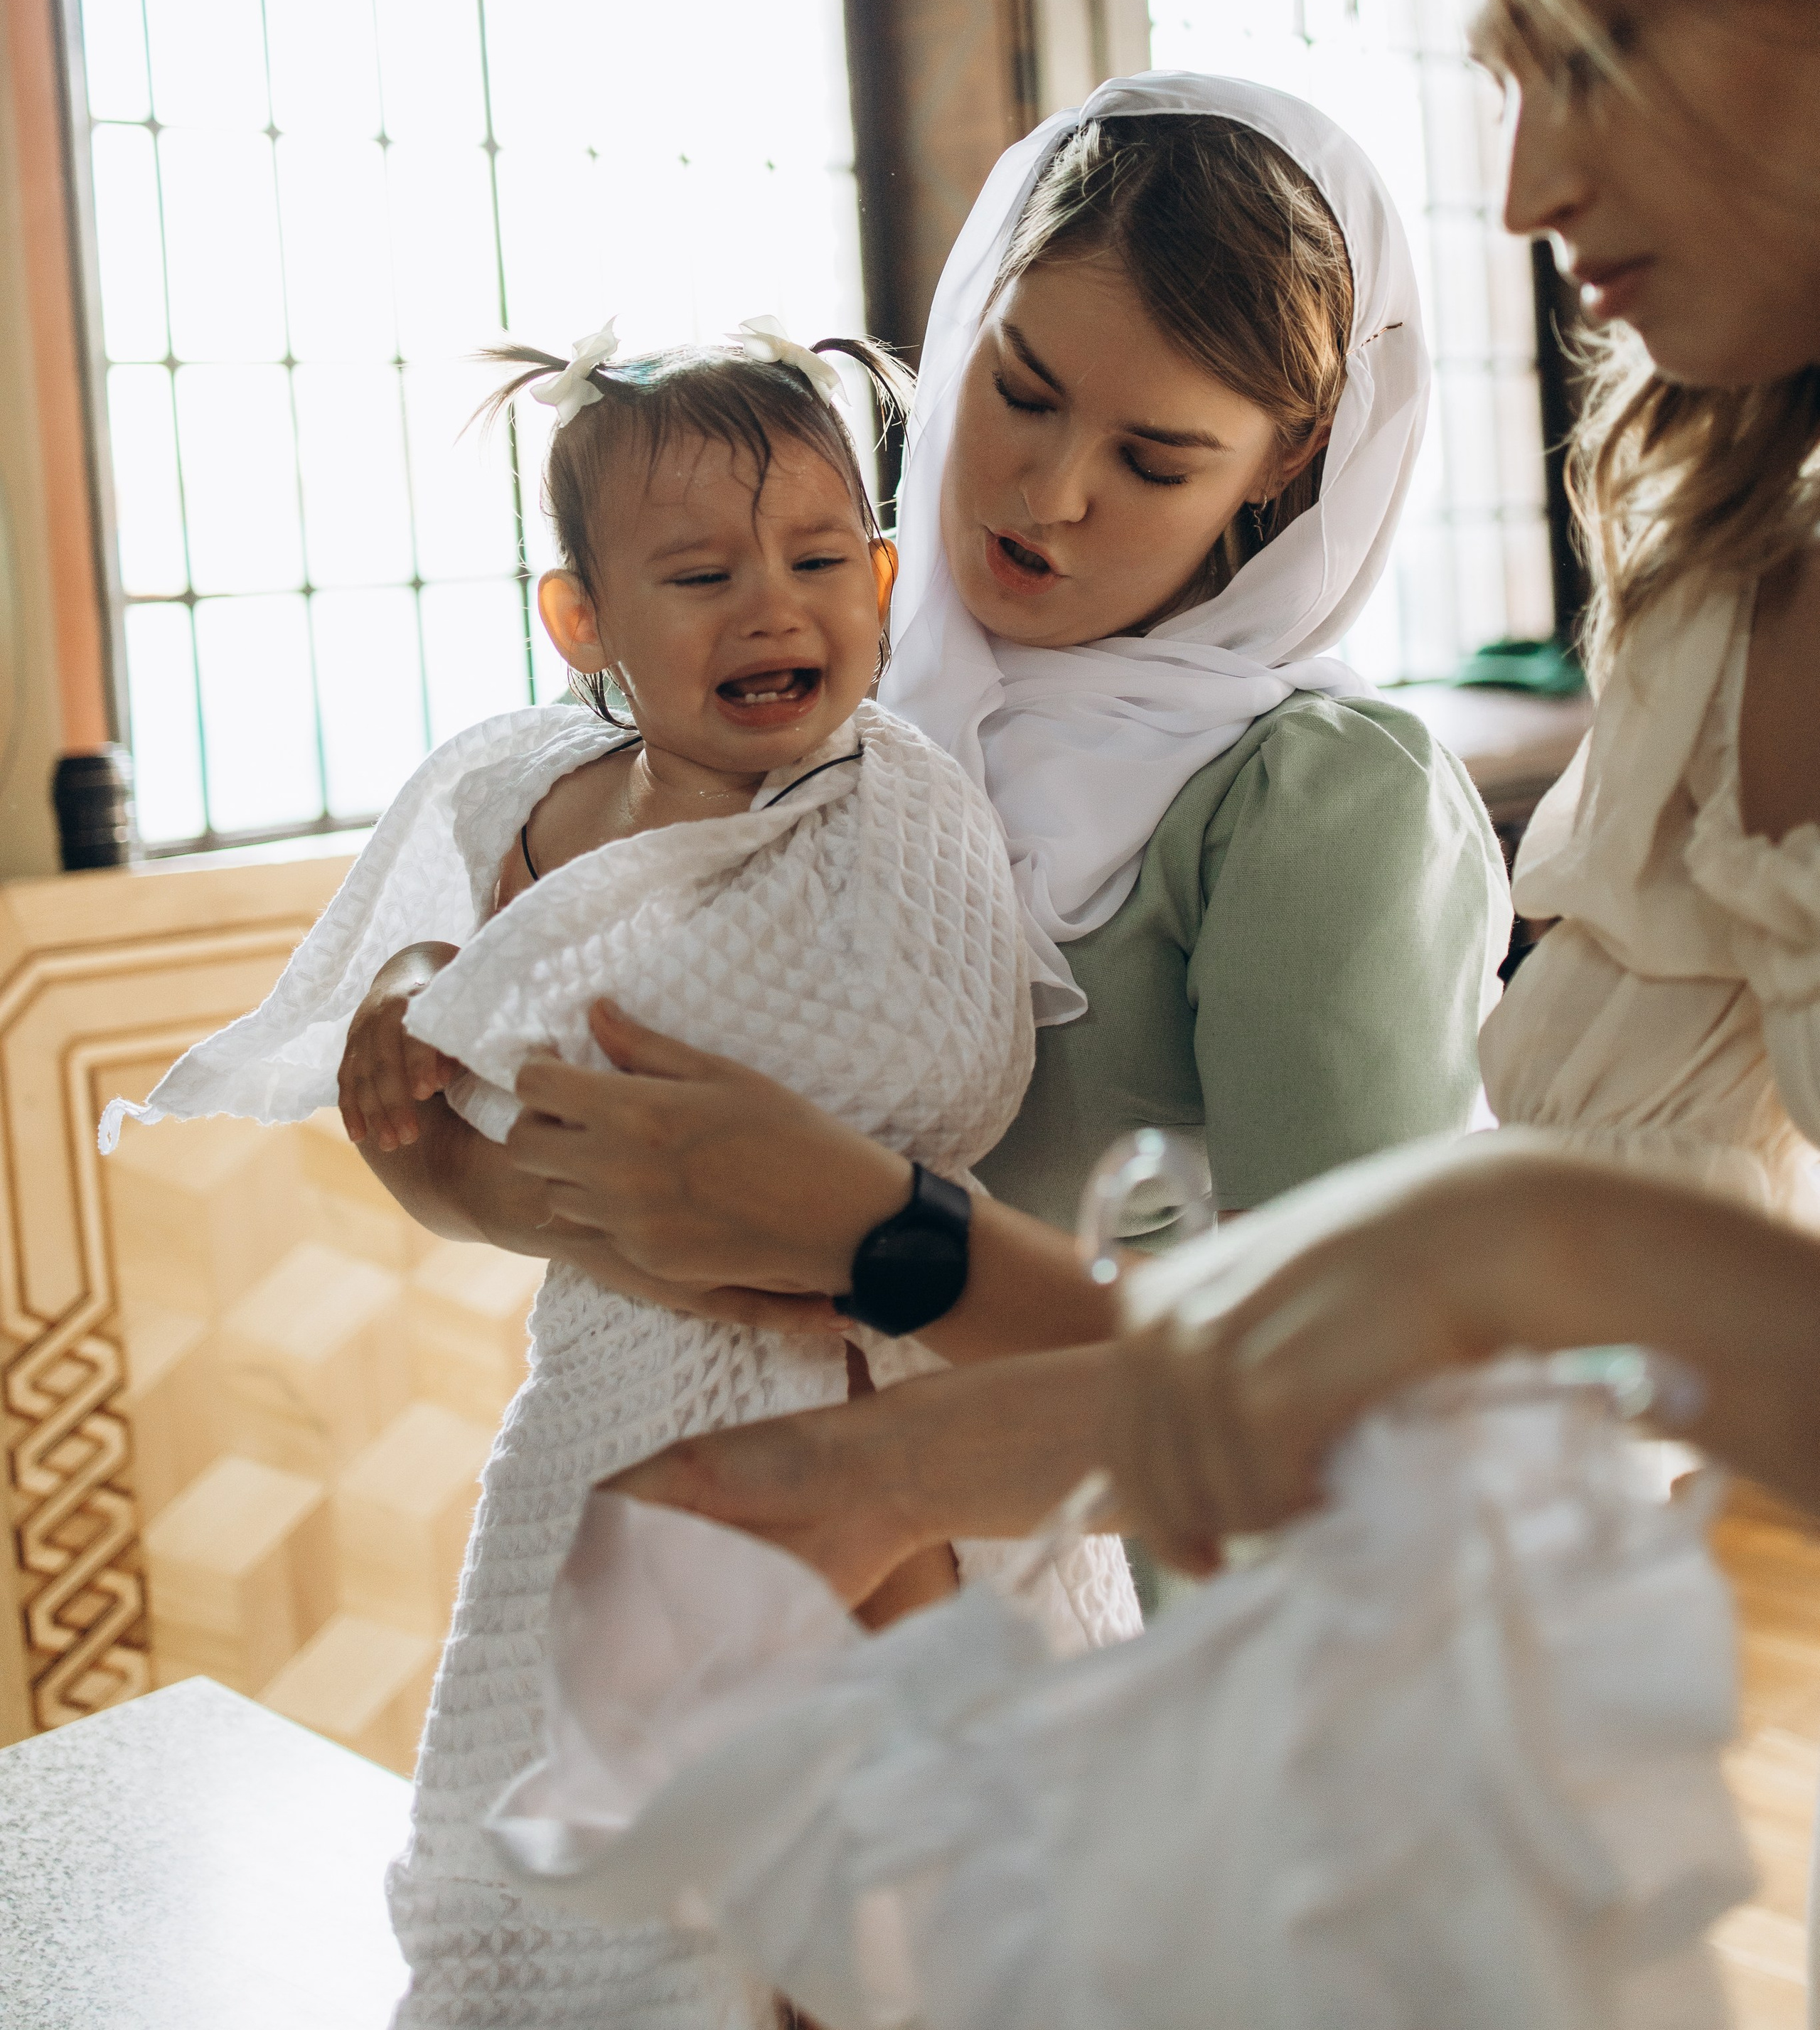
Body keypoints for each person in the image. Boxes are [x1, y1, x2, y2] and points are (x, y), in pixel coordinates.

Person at [599, 0, 1820, 2007]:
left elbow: (1460, 1368)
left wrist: (912, 1268)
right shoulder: (1713, 594)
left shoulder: (1313, 799)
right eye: (1506, 72)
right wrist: (865, 1471)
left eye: (1590, 49)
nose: (1523, 185)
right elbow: (1398, 1383)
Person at [105, 319, 1122, 2030]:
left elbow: (951, 1064)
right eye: (700, 574)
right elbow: (462, 1155)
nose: (770, 608)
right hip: (615, 1408)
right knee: (646, 1885)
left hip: (857, 1387)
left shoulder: (897, 802)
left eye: (816, 560)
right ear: (582, 622)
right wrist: (423, 1092)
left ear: (878, 580)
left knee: (886, 1875)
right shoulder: (528, 809)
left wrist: (633, 1127)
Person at [370, 79, 1507, 1366]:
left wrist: (869, 1234)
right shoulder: (800, 696)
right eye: (1021, 391)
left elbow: (1344, 1366)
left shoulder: (1314, 800)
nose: (1051, 492)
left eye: (1154, 461)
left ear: (1288, 461)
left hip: (1141, 1542)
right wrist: (464, 1111)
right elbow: (490, 1142)